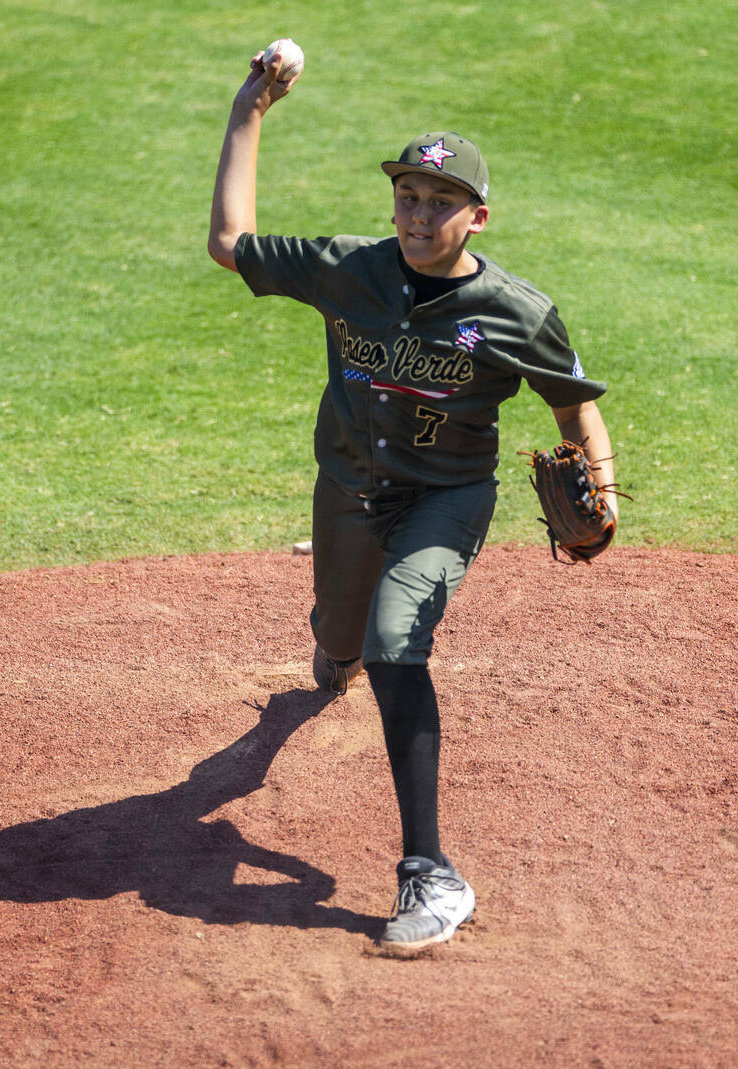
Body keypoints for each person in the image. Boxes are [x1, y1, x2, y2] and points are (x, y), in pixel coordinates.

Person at [207, 47, 619, 953]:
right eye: (407, 196)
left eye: (439, 202)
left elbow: (573, 409)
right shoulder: (349, 270)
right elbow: (229, 243)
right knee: (342, 644)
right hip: (350, 493)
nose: (419, 214)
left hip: (448, 500)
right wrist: (250, 110)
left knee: (401, 637)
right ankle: (333, 655)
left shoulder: (515, 309)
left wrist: (606, 500)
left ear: (476, 216)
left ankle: (430, 872)